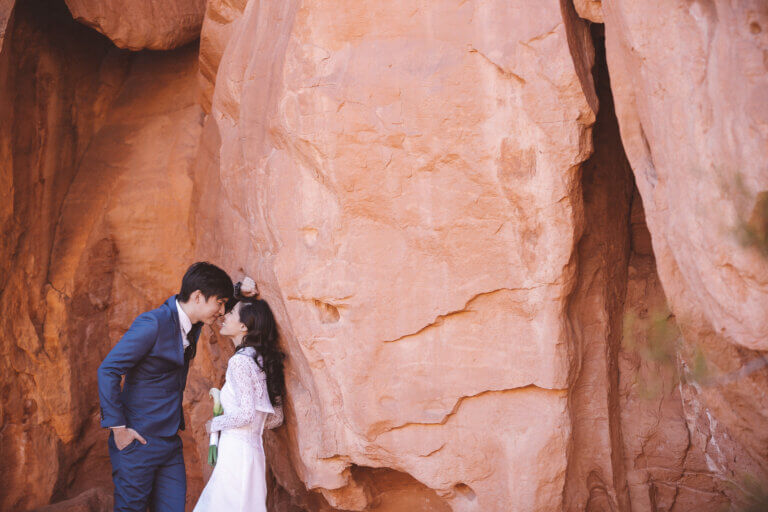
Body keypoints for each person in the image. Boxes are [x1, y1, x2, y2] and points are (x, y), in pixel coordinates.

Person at [97, 262, 234, 512]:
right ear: (197, 297)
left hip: (170, 442)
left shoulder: (194, 323)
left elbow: (217, 305)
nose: (222, 310)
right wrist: (119, 429)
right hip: (138, 440)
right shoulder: (153, 323)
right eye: (220, 302)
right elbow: (108, 369)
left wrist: (241, 290)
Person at [193, 285, 286, 512]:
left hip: (236, 452)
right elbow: (276, 418)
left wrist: (214, 423)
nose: (225, 316)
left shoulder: (240, 362)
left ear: (244, 326)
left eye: (232, 314)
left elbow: (246, 414)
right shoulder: (260, 360)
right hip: (253, 453)